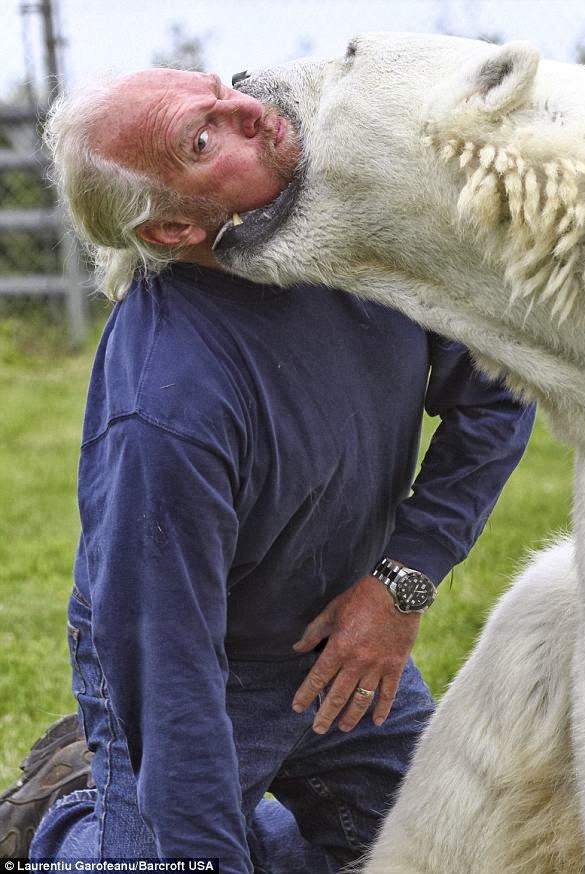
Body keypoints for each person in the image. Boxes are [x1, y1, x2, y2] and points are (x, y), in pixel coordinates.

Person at [0, 68, 535, 872]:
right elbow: (170, 668)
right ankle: (58, 821)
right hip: (191, 665)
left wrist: (401, 583)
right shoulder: (167, 408)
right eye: (203, 138)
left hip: (343, 643)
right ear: (176, 229)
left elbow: (501, 390)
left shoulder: (364, 240)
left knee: (469, 851)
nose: (251, 110)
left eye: (218, 92)